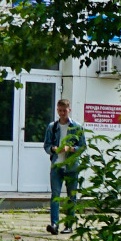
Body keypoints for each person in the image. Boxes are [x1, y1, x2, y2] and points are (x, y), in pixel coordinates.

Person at [43, 99, 85, 234]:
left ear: (69, 110)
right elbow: (46, 145)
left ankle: (69, 225)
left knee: (71, 196)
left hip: (71, 166)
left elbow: (83, 146)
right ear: (57, 110)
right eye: (60, 111)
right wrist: (54, 149)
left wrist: (71, 148)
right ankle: (54, 225)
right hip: (56, 165)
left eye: (64, 111)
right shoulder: (52, 127)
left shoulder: (76, 127)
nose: (62, 113)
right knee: (55, 195)